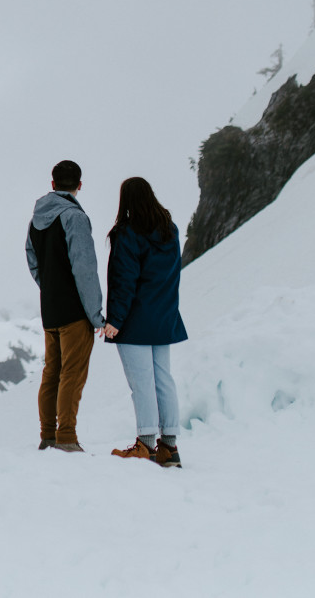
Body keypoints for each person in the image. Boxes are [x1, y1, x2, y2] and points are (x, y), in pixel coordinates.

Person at [102, 177, 188, 468]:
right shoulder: (170, 230)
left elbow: (124, 280)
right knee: (163, 380)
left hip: (135, 320)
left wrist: (115, 320)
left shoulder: (127, 233)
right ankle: (170, 448)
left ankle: (146, 446)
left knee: (142, 384)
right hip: (164, 317)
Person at [26, 160, 105, 452]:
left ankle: (47, 435)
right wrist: (95, 314)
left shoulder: (35, 220)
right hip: (75, 311)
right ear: (79, 186)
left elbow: (32, 261)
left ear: (53, 184)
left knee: (51, 372)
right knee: (72, 373)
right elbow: (85, 268)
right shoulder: (75, 217)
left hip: (50, 309)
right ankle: (67, 437)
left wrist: (49, 289)